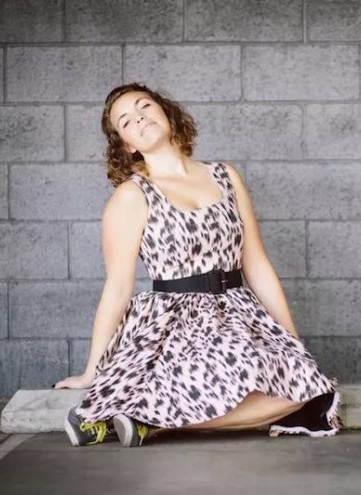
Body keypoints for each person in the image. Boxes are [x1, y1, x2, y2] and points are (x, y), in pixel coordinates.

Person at [53, 82, 342, 447]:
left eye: (144, 106)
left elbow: (257, 263)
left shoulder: (225, 176)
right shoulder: (131, 196)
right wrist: (91, 370)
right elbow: (118, 287)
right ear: (126, 145)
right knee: (241, 378)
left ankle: (148, 423)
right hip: (174, 319)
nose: (138, 118)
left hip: (239, 311)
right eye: (125, 121)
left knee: (313, 387)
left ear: (166, 112)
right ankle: (137, 415)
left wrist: (291, 339)